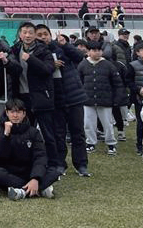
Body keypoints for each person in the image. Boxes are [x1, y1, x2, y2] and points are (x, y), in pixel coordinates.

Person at [36, 25, 91, 176]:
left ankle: (81, 164)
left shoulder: (61, 47)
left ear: (50, 34)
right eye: (39, 35)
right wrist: (49, 65)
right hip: (55, 99)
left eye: (45, 34)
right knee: (58, 134)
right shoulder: (36, 52)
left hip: (73, 96)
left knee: (78, 132)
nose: (43, 37)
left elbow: (79, 57)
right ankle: (60, 163)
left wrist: (65, 44)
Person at [7, 22, 62, 170]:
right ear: (20, 34)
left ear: (34, 34)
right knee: (25, 134)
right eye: (24, 32)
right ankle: (28, 162)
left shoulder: (44, 50)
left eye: (30, 32)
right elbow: (13, 72)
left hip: (41, 98)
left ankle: (54, 164)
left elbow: (47, 69)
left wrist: (30, 59)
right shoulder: (14, 49)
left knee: (48, 134)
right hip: (22, 99)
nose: (27, 35)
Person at [0, 99, 59, 200]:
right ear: (7, 113)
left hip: (29, 171)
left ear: (24, 114)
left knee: (54, 171)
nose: (15, 115)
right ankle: (39, 189)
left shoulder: (33, 132)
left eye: (18, 112)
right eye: (12, 112)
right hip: (10, 172)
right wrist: (6, 135)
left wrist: (35, 178)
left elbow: (40, 156)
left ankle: (22, 191)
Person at [78, 41, 126, 156]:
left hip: (105, 100)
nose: (97, 52)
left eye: (99, 50)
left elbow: (117, 83)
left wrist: (117, 99)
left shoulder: (108, 65)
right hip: (88, 100)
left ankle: (111, 144)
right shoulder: (83, 65)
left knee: (108, 123)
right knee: (88, 124)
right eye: (94, 50)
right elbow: (79, 82)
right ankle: (90, 143)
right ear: (88, 52)